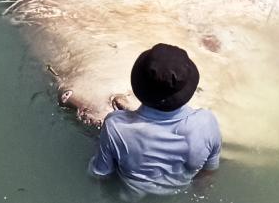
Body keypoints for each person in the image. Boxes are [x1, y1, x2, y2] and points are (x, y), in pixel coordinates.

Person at [89, 43, 221, 198]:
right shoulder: (207, 123)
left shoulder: (116, 127)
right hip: (176, 196)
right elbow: (208, 173)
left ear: (139, 85)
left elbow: (100, 173)